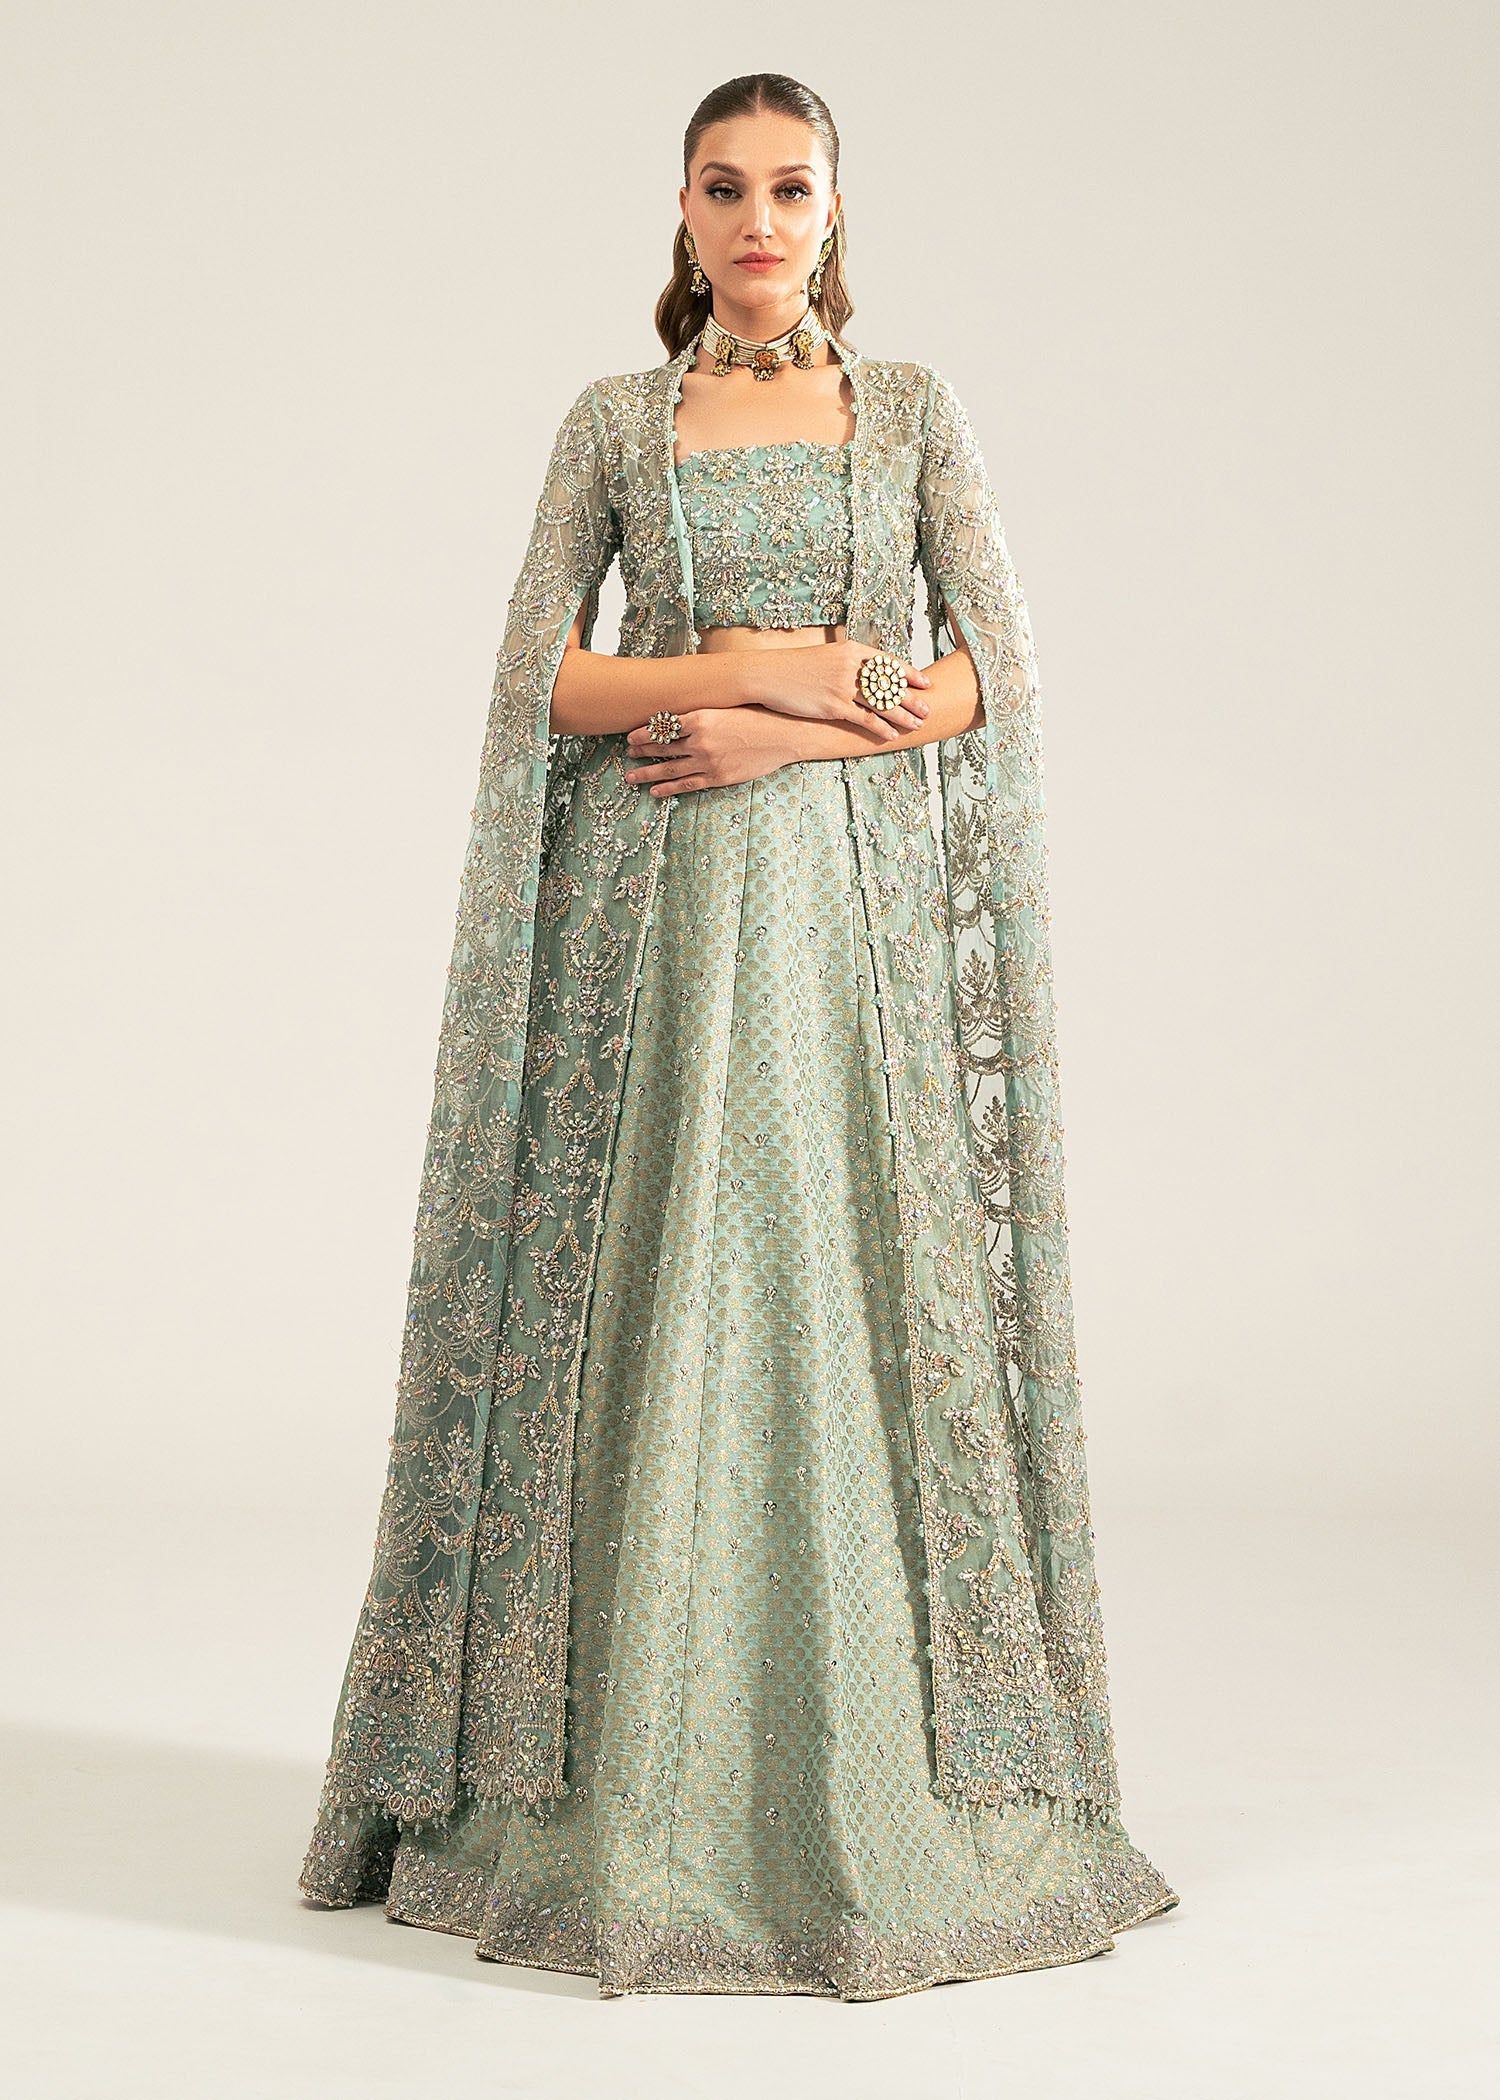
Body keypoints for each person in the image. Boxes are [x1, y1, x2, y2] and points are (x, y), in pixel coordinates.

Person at [297, 69, 1179, 2001]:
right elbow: (547, 676)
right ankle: (609, 1796)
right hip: (659, 928)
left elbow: (992, 675)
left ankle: (876, 1793)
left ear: (837, 210)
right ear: (681, 213)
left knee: (836, 1275)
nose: (760, 222)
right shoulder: (617, 422)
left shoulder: (910, 410)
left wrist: (774, 729)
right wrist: (751, 665)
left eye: (792, 188)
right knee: (657, 1272)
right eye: (726, 188)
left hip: (850, 922)